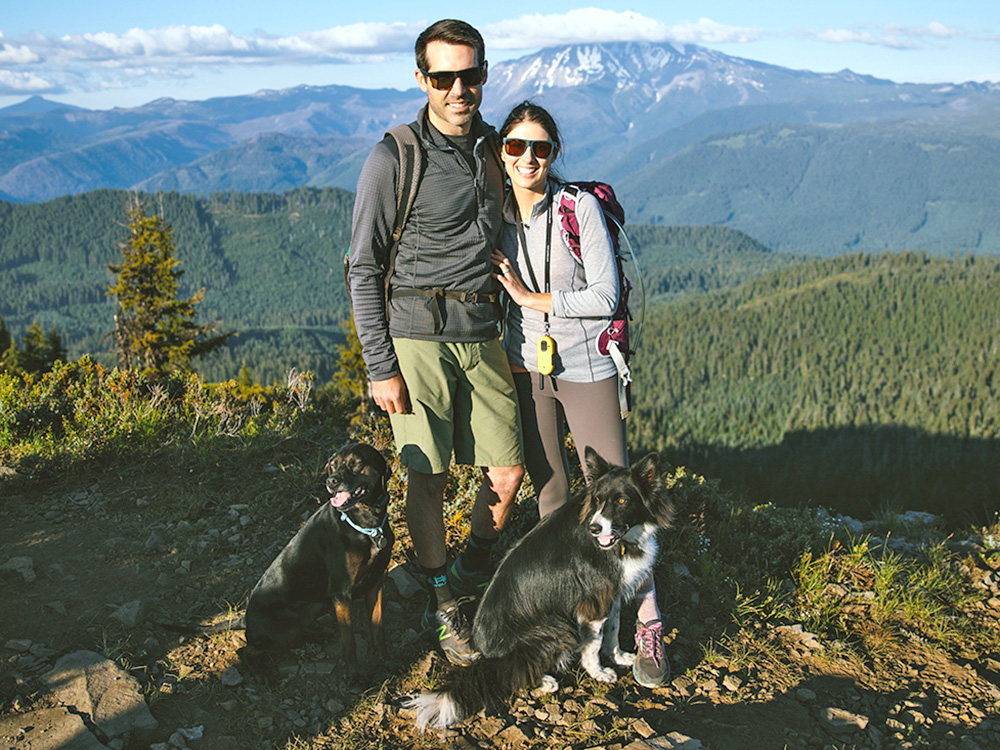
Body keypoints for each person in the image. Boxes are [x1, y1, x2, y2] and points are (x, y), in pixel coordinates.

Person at [347, 20, 524, 667]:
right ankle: (445, 598)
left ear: (483, 75)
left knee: (507, 470)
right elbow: (362, 264)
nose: (458, 88)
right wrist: (379, 366)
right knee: (430, 475)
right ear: (421, 79)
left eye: (470, 75)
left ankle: (469, 569)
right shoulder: (395, 154)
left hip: (482, 332)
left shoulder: (493, 147)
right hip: (418, 335)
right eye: (443, 77)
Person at [492, 101, 669, 687]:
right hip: (526, 367)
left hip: (587, 363)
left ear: (554, 153)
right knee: (553, 500)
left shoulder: (580, 209)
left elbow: (605, 293)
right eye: (515, 146)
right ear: (501, 151)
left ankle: (648, 625)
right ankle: (575, 618)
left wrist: (533, 299)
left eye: (539, 147)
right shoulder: (492, 212)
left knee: (620, 499)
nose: (527, 158)